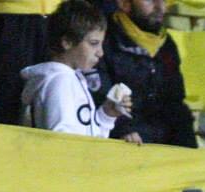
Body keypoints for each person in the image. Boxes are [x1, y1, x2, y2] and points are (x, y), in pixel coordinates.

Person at [22, 0, 130, 136]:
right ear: (67, 42)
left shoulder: (71, 79)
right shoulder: (60, 82)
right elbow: (62, 141)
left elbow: (89, 137)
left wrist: (107, 115)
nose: (100, 53)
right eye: (93, 43)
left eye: (101, 44)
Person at [97, 0, 193, 145]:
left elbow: (175, 100)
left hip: (161, 140)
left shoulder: (167, 44)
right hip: (120, 140)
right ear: (124, 3)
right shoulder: (103, 39)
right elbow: (99, 95)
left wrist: (187, 143)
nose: (159, 6)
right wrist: (124, 129)